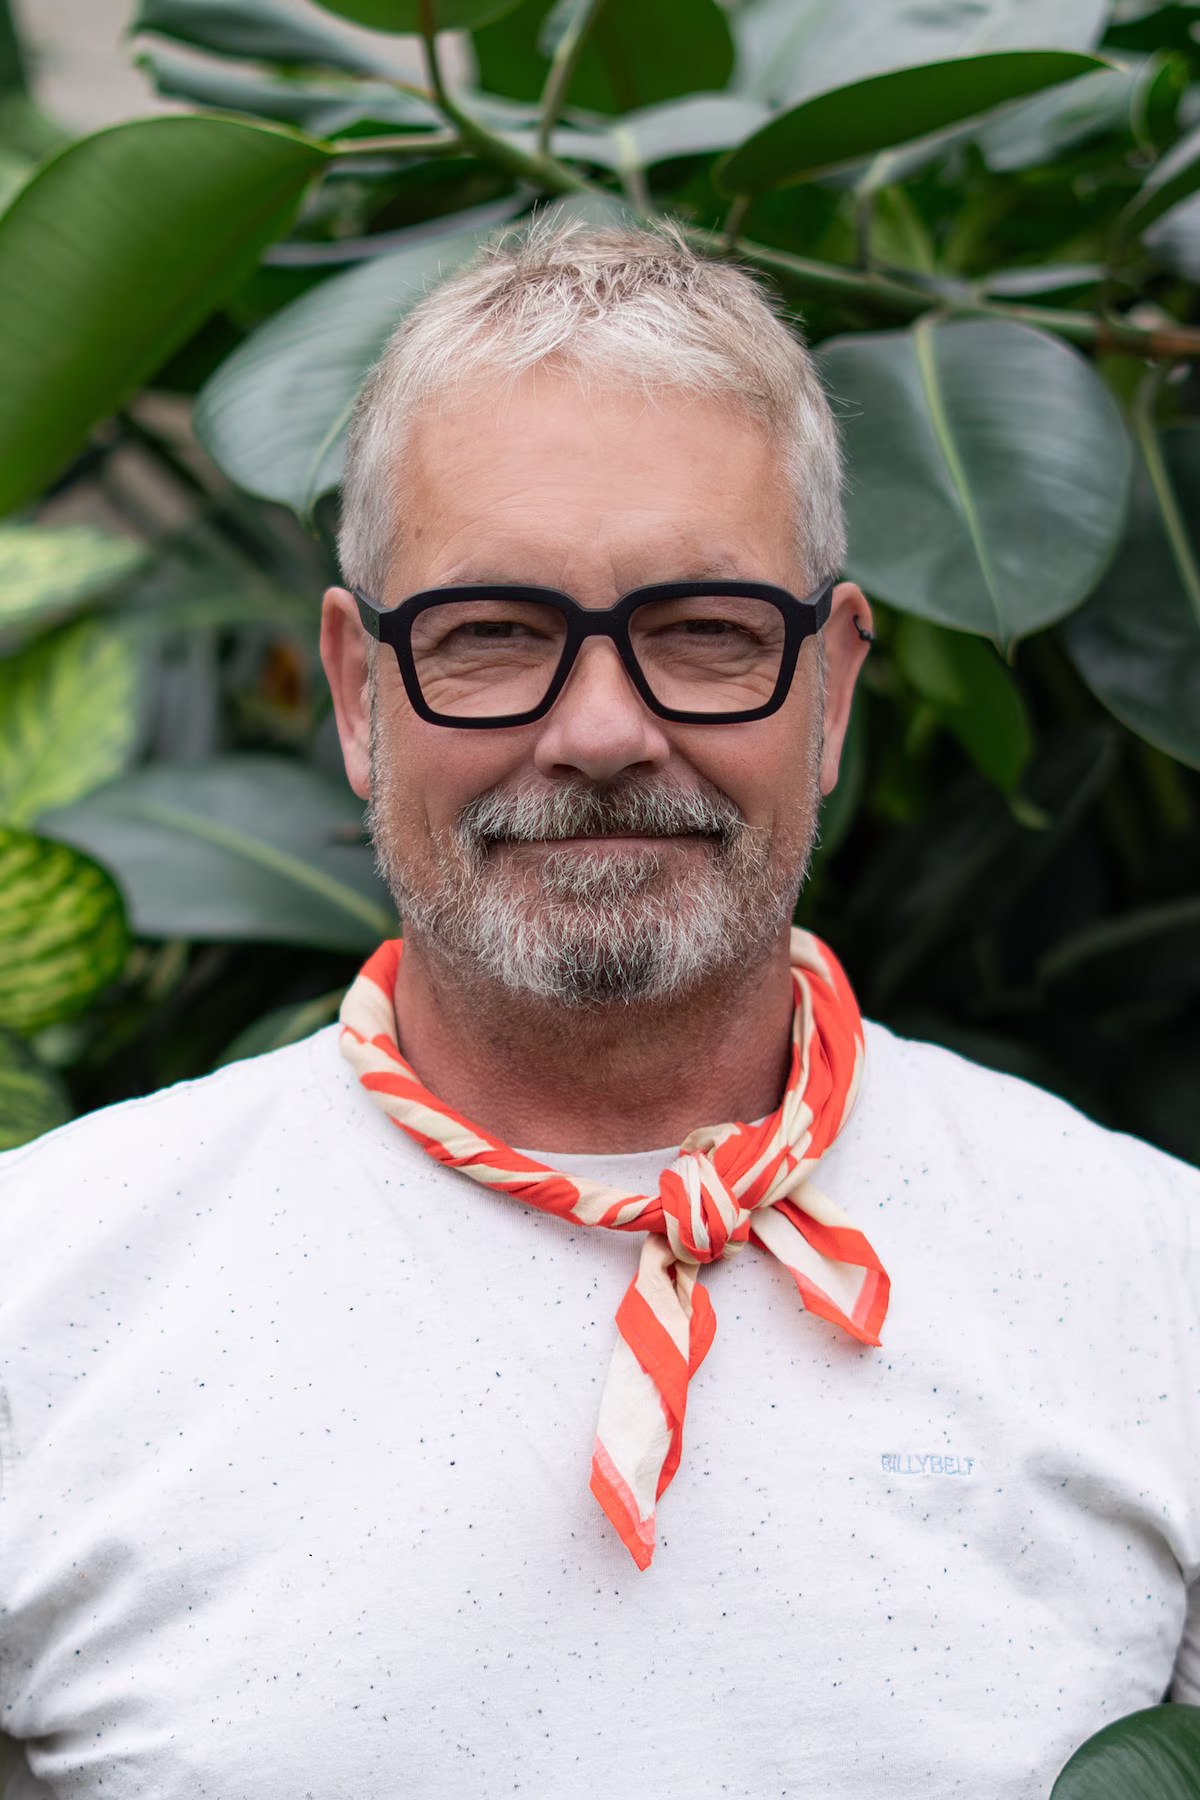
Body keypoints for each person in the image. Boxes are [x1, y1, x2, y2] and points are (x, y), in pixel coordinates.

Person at [0, 220, 1197, 1800]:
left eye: (704, 631)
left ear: (833, 688)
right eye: (494, 635)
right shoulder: (41, 1297)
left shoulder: (1156, 1289)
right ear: (357, 693)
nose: (603, 729)